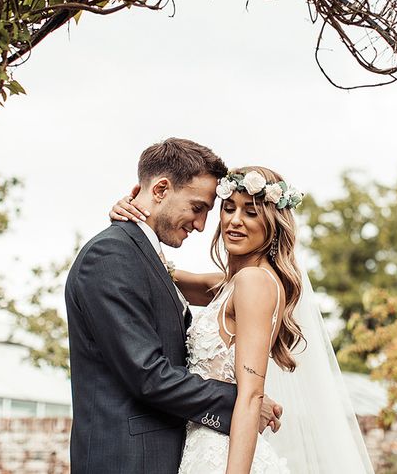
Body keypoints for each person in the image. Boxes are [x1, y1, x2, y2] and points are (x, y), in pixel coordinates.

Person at [112, 164, 375, 474]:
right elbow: (169, 275)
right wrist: (134, 215)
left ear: (273, 224)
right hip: (200, 448)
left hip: (221, 455)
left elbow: (251, 396)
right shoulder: (233, 284)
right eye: (228, 208)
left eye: (250, 212)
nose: (235, 221)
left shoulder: (253, 282)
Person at [65, 139, 282, 474]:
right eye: (198, 208)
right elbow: (147, 374)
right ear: (161, 189)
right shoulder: (111, 255)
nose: (201, 225)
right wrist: (239, 403)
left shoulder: (145, 258)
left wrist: (248, 401)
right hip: (129, 461)